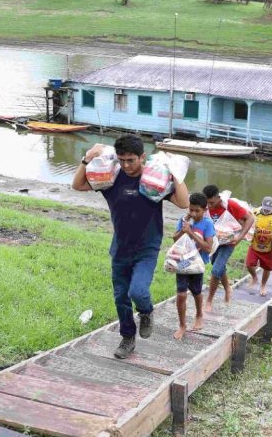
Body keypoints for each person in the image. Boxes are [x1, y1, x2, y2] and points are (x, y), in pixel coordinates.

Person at [72, 135, 190, 359]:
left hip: (147, 248)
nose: (126, 165)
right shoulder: (111, 177)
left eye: (131, 160)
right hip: (120, 249)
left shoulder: (155, 179)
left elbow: (184, 203)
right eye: (122, 160)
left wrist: (174, 171)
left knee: (138, 291)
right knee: (120, 297)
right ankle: (127, 338)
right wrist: (86, 159)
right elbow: (77, 185)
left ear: (142, 157)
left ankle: (146, 312)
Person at [203, 184, 255, 313]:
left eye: (212, 202)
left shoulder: (230, 205)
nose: (209, 206)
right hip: (215, 242)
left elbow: (250, 218)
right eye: (207, 202)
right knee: (218, 266)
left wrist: (240, 237)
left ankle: (209, 300)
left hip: (229, 242)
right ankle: (227, 288)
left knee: (215, 270)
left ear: (218, 197)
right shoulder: (205, 206)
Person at [172, 193, 217, 339]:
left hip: (197, 264)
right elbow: (175, 239)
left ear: (205, 209)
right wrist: (183, 229)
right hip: (183, 262)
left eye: (197, 211)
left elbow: (208, 248)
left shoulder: (207, 224)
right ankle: (182, 325)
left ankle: (199, 314)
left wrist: (191, 233)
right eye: (191, 210)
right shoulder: (185, 220)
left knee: (197, 292)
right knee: (181, 294)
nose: (193, 213)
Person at [245, 197, 272, 296]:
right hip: (254, 245)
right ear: (261, 204)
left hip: (269, 247)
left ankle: (263, 285)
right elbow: (245, 222)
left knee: (267, 268)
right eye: (265, 208)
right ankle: (254, 277)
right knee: (249, 264)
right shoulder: (254, 212)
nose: (266, 210)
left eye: (268, 209)